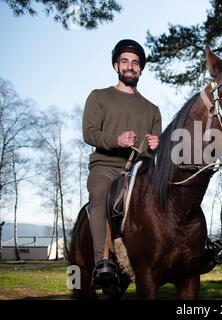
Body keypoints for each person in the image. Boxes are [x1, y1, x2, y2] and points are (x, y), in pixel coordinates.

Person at [82, 39, 161, 288]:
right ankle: (101, 264)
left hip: (140, 171)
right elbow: (89, 133)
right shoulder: (99, 97)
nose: (130, 66)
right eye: (125, 61)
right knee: (100, 194)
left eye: (135, 63)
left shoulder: (153, 109)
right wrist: (117, 139)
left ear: (141, 69)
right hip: (105, 167)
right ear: (116, 66)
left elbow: (152, 153)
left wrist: (158, 145)